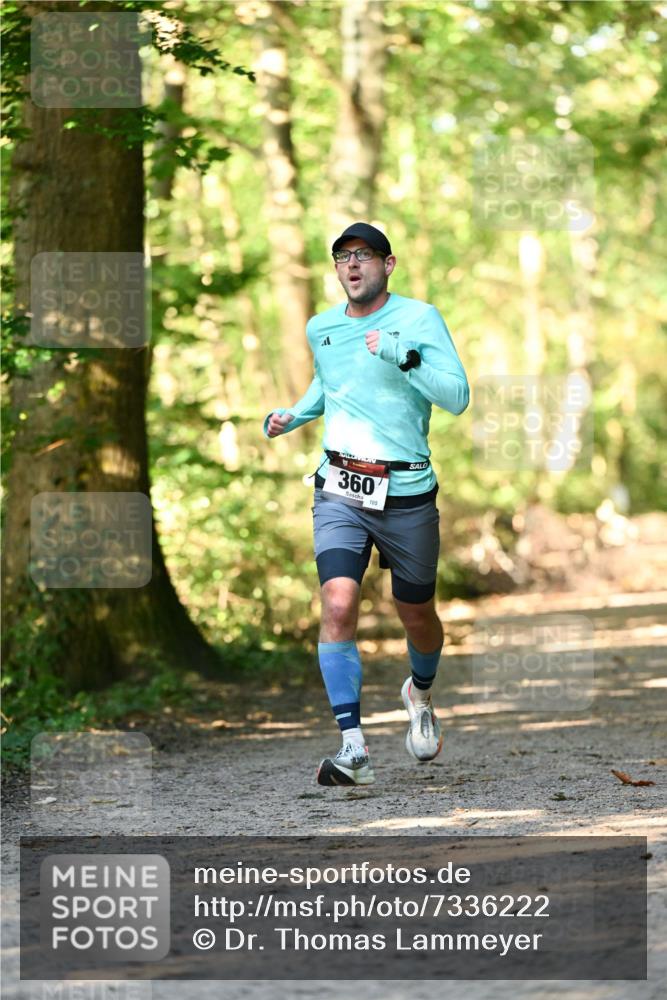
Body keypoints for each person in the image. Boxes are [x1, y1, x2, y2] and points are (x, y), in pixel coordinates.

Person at [264, 222, 469, 786]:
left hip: (406, 493)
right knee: (336, 603)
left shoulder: (419, 319)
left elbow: (458, 397)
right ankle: (352, 748)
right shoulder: (321, 327)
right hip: (340, 487)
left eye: (363, 256)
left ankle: (419, 693)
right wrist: (292, 415)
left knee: (417, 614)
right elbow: (328, 387)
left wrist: (405, 357)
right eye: (341, 257)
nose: (351, 265)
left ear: (388, 264)